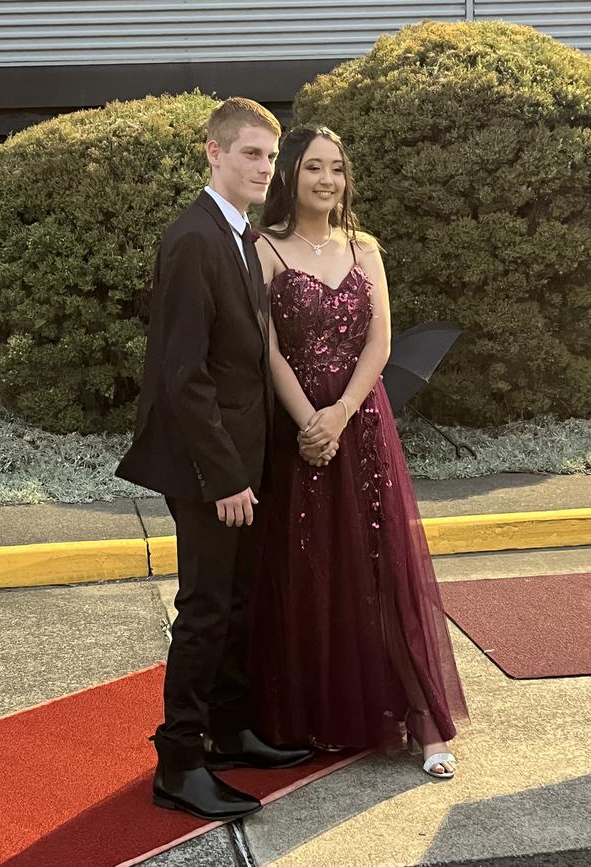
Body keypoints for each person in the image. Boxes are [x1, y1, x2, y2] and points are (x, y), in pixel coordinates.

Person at [249, 124, 469, 779]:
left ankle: (423, 722)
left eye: (336, 169)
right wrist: (309, 424)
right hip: (298, 432)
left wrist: (340, 415)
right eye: (314, 167)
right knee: (310, 569)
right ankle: (317, 715)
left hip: (362, 423)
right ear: (289, 174)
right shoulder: (262, 249)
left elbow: (380, 344)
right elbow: (266, 350)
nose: (327, 179)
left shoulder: (363, 246)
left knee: (383, 568)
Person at [116, 99, 311, 822]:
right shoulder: (195, 239)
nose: (265, 167)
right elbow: (181, 373)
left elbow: (242, 364)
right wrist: (226, 474)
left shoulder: (238, 235)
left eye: (269, 156)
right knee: (204, 609)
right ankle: (180, 762)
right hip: (208, 468)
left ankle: (229, 733)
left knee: (236, 600)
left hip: (241, 459)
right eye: (250, 154)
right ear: (213, 154)